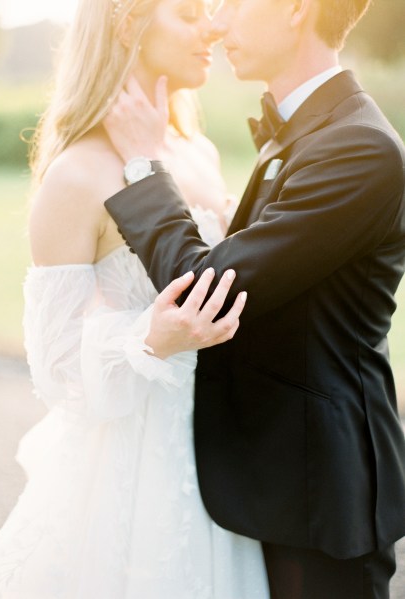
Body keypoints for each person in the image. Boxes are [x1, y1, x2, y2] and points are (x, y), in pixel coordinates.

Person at [0, 0, 272, 597]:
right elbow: (55, 370)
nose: (210, 25)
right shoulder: (76, 175)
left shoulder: (200, 151)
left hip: (223, 462)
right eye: (188, 14)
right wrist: (152, 339)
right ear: (128, 24)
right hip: (129, 473)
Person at [102, 0, 405, 597]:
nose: (216, 21)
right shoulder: (306, 130)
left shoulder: (359, 148)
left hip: (320, 495)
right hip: (273, 474)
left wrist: (142, 167)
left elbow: (203, 289)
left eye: (231, 2)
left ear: (296, 9)